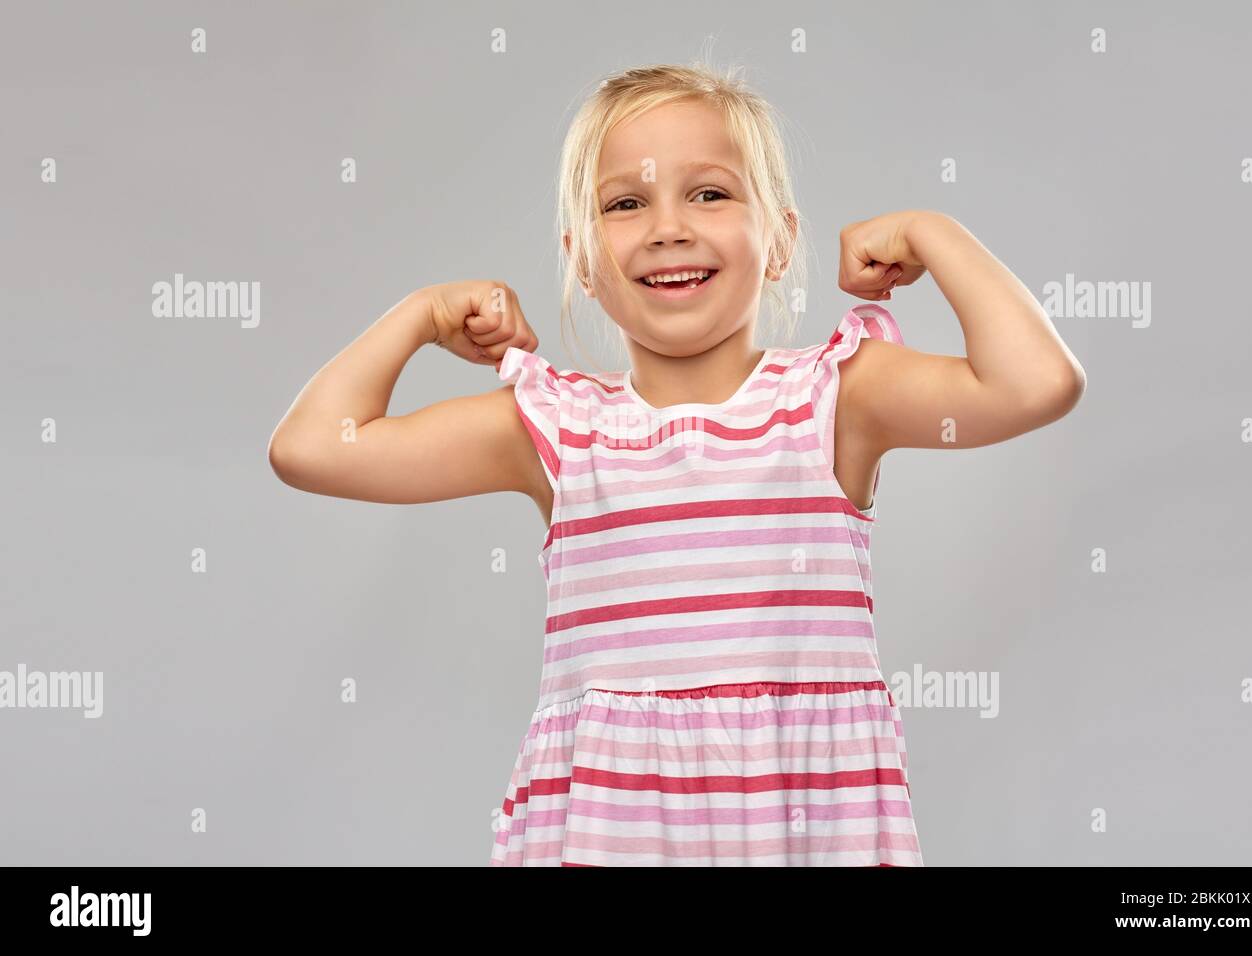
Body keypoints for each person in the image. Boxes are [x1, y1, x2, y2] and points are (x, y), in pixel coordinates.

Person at [267, 62, 1085, 867]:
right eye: (626, 203)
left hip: (800, 828)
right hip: (615, 833)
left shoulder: (836, 399)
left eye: (711, 193)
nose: (668, 227)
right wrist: (422, 313)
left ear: (781, 239)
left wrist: (932, 234)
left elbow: (1034, 383)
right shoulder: (557, 430)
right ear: (582, 261)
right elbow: (312, 448)